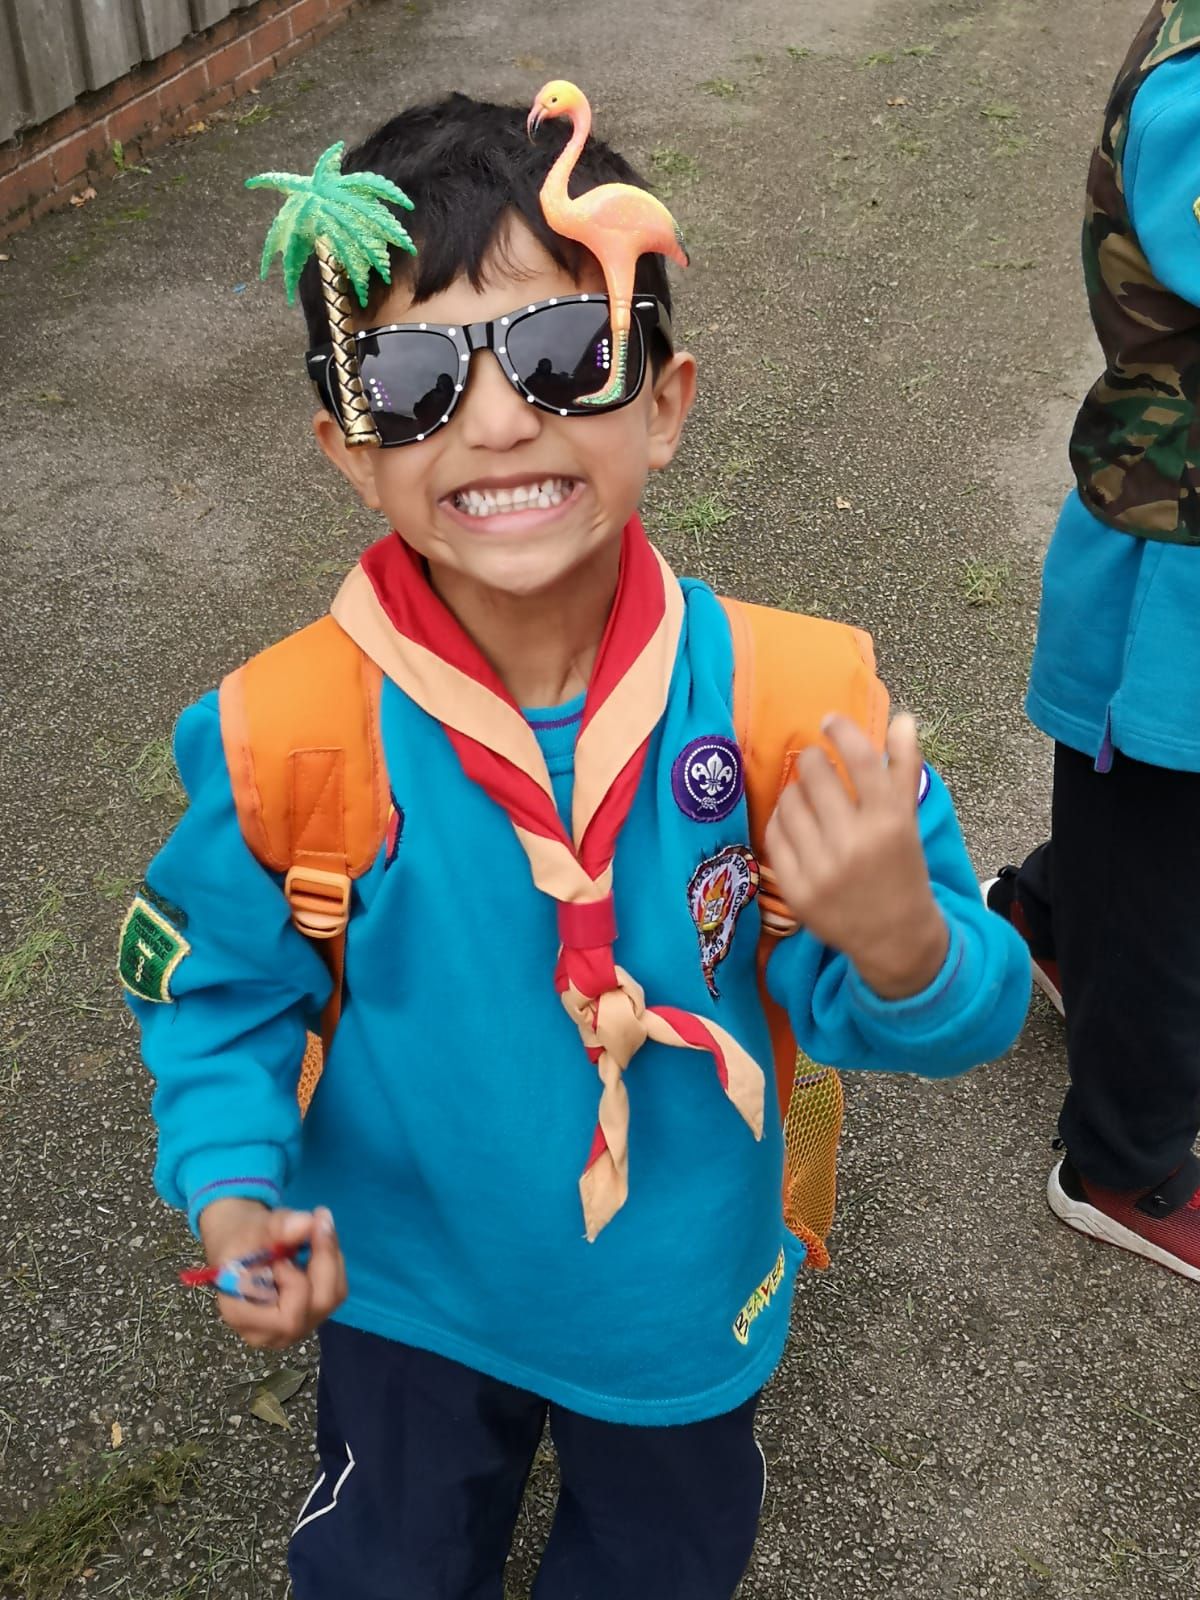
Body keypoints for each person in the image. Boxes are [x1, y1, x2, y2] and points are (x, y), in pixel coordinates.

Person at [121, 90, 1030, 1599]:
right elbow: (211, 991)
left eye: (561, 353)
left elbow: (964, 1014)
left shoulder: (796, 708)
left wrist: (905, 941)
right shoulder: (288, 735)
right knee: (385, 1573)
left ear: (666, 399)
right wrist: (229, 1184)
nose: (492, 420)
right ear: (347, 446)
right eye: (407, 373)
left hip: (675, 1302)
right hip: (405, 1294)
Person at [986, 0, 1200, 1284]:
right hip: (1172, 573)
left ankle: (1054, 920)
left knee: (1149, 858)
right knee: (1166, 859)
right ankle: (1124, 1160)